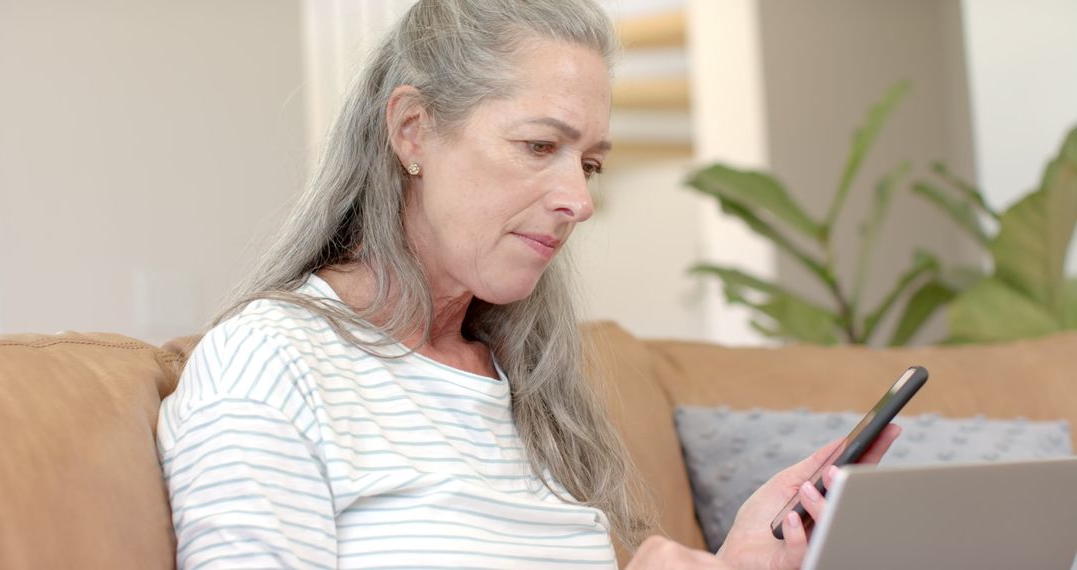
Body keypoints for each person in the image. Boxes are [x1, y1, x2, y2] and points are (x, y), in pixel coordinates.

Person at [156, 0, 900, 568]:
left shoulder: (529, 386)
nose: (580, 201)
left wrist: (736, 561)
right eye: (540, 145)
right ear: (412, 130)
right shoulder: (270, 361)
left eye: (590, 164)